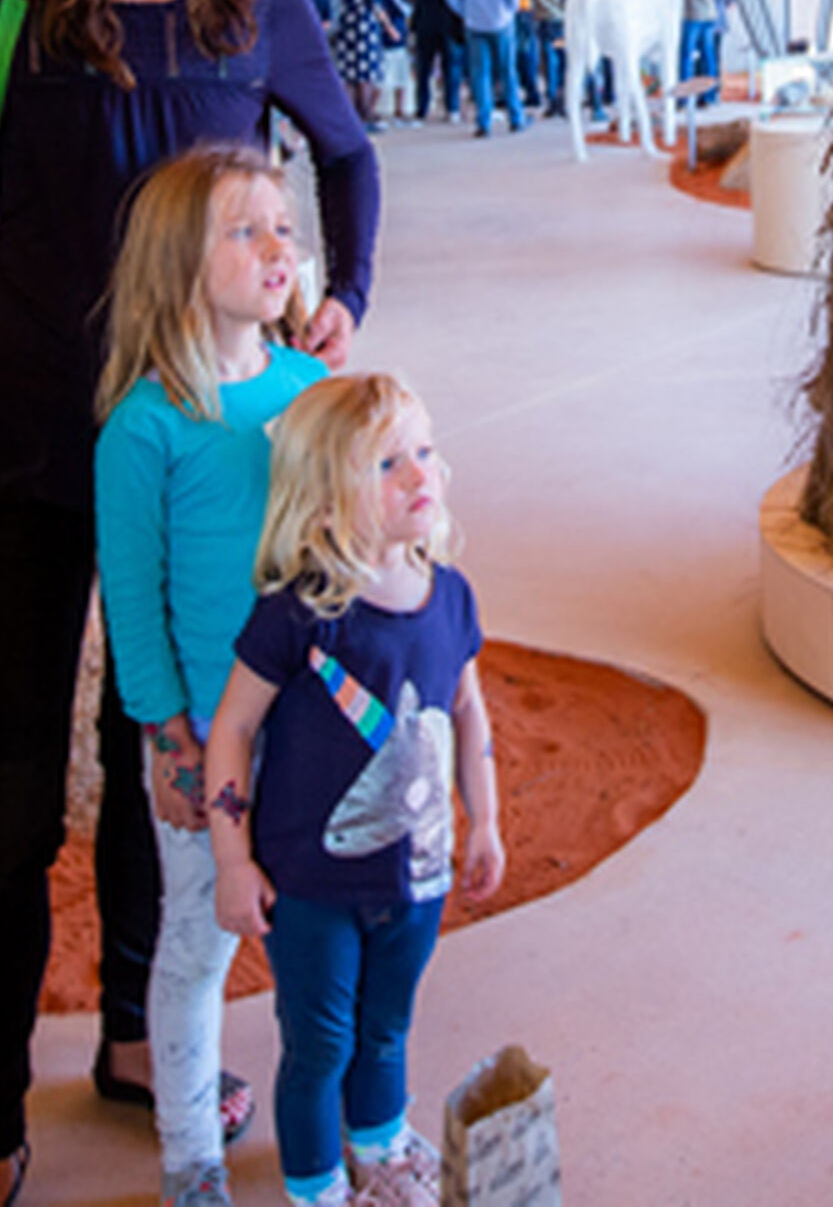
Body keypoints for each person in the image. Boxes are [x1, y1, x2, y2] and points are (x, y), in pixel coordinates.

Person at [0, 0, 378, 1206]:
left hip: (211, 459)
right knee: (16, 770)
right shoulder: (24, 10)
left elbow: (344, 150)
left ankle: (143, 1043)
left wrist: (343, 295)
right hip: (30, 445)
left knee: (166, 745)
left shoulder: (254, 2)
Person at [206, 375, 504, 1207]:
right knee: (319, 1043)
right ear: (324, 503)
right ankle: (315, 1186)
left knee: (388, 1027)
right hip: (312, 885)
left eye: (424, 450)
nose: (419, 475)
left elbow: (468, 711)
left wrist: (484, 820)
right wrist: (232, 859)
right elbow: (231, 729)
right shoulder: (302, 613)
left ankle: (377, 1142)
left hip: (419, 875)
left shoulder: (451, 595)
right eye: (385, 463)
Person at [95, 148, 329, 1207]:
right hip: (211, 743)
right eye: (247, 230)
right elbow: (131, 600)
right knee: (197, 946)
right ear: (179, 263)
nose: (279, 247)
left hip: (318, 728)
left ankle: (332, 1124)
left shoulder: (315, 389)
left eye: (284, 225)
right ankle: (191, 1154)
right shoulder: (143, 425)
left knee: (319, 936)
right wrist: (167, 738)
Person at [442, 0, 526, 136]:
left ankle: (484, 122)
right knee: (508, 70)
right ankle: (516, 118)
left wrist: (464, 10)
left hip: (474, 21)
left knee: (480, 74)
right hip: (501, 20)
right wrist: (509, 10)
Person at [328, 0, 400, 131]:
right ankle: (365, 116)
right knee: (365, 74)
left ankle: (350, 118)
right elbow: (373, 1)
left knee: (349, 74)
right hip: (364, 25)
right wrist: (388, 26)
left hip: (345, 24)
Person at [408, 0, 457, 124]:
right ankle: (451, 108)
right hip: (445, 22)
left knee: (424, 69)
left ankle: (422, 108)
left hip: (424, 22)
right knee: (449, 67)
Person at [523, 0, 568, 118]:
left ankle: (551, 99)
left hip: (541, 20)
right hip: (559, 21)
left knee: (548, 61)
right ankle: (562, 99)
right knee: (562, 60)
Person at [374, 0, 414, 126]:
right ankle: (372, 110)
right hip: (390, 34)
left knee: (400, 73)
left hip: (397, 32)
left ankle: (399, 110)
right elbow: (400, 6)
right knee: (386, 74)